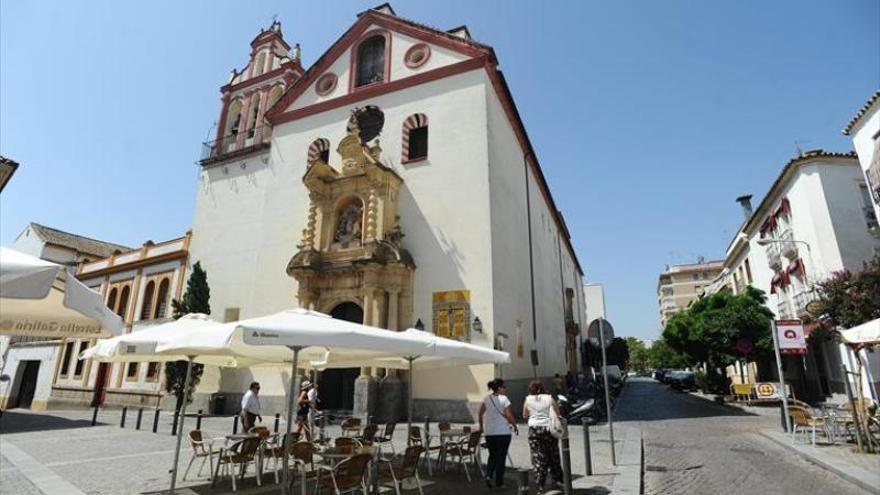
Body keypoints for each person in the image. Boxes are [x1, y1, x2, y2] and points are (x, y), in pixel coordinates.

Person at [522, 380, 564, 493]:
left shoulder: (527, 400)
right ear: (541, 388)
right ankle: (557, 481)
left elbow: (525, 415)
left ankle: (540, 485)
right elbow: (557, 413)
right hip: (548, 429)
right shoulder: (549, 398)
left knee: (538, 458)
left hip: (534, 430)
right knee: (553, 454)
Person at [478, 378, 518, 489]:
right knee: (501, 458)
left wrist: (481, 427)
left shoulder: (486, 398)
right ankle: (499, 483)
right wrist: (515, 425)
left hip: (489, 433)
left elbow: (480, 413)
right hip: (503, 433)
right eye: (504, 387)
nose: (505, 389)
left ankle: (488, 476)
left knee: (492, 456)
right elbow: (509, 415)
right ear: (499, 388)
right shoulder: (504, 399)